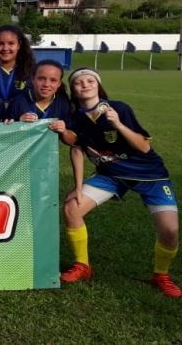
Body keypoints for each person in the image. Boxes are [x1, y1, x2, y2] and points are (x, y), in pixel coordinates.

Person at [60, 68, 181, 298]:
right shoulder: (75, 117)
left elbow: (144, 147)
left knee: (170, 229)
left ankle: (161, 275)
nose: (84, 84)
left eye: (89, 81)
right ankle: (82, 266)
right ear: (73, 90)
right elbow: (76, 150)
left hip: (149, 175)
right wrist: (77, 188)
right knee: (71, 207)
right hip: (111, 176)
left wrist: (119, 125)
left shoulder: (119, 109)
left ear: (98, 86)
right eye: (78, 82)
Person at [7, 60, 71, 135]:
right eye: (41, 79)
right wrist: (17, 124)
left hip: (49, 146)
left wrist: (64, 131)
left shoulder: (63, 103)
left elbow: (72, 141)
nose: (46, 84)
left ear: (59, 84)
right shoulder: (18, 101)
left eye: (53, 80)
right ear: (33, 79)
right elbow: (5, 136)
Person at [0, 24, 35, 106]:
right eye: (0, 43)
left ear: (19, 45)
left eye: (11, 43)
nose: (5, 48)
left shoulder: (33, 72)